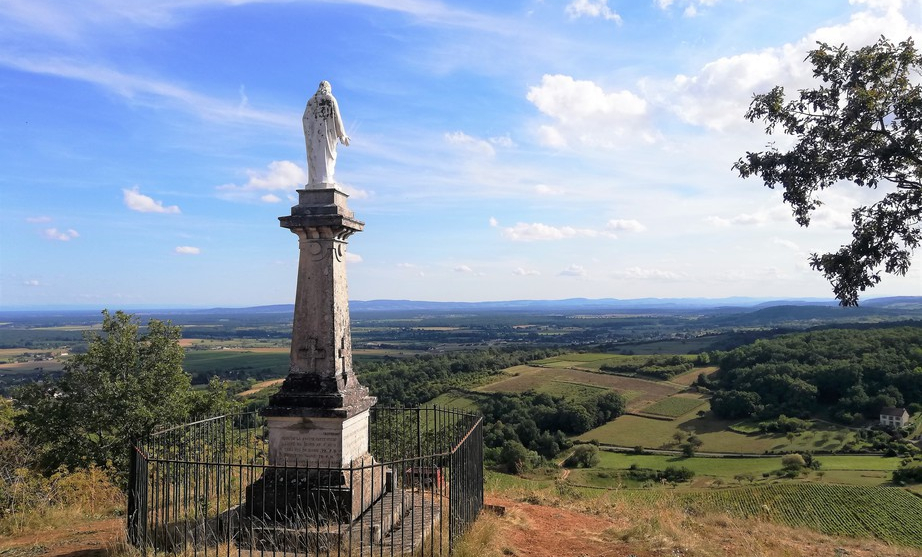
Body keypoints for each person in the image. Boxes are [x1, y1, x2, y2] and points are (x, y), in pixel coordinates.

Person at [302, 81, 350, 186]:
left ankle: (317, 180)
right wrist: (342, 134)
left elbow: (305, 118)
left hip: (314, 135)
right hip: (328, 134)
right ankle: (326, 179)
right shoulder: (330, 99)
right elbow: (337, 117)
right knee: (327, 156)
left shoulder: (311, 101)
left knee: (315, 155)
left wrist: (309, 132)